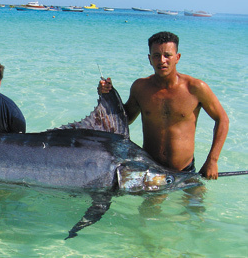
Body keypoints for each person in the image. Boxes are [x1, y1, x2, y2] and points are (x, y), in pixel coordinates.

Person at [98, 31, 229, 179]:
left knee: (198, 202)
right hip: (151, 172)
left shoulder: (195, 88)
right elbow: (123, 121)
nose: (162, 60)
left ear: (177, 57)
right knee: (151, 203)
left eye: (167, 55)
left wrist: (212, 160)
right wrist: (107, 94)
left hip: (185, 170)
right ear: (149, 59)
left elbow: (222, 119)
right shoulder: (140, 88)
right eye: (156, 55)